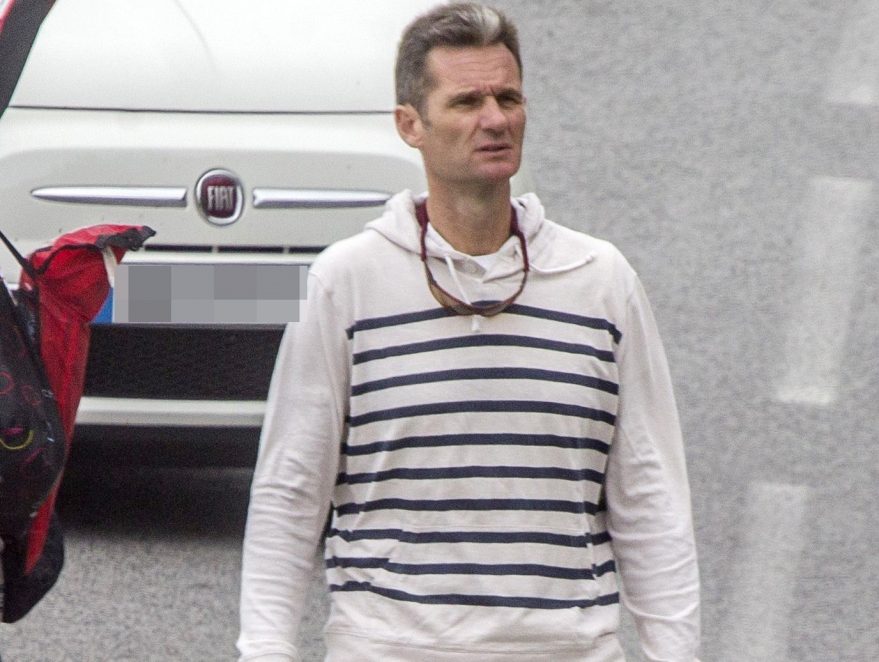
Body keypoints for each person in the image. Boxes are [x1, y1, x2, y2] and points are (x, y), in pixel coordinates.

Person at [237, 3, 700, 661]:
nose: (495, 119)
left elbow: (651, 498)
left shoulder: (601, 281)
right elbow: (290, 491)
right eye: (466, 101)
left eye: (508, 98)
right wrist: (266, 650)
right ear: (410, 125)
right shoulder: (345, 283)